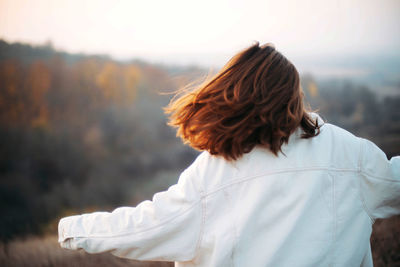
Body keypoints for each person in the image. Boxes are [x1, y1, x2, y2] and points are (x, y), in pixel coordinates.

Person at [58, 42, 400, 267]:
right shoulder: (349, 154)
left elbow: (146, 226)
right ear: (292, 95)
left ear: (235, 95)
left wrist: (72, 228)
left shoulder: (214, 172)